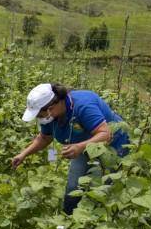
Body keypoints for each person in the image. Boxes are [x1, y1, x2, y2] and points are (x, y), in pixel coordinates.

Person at [12, 83, 130, 214]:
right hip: (83, 145)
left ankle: (97, 222)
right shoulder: (50, 116)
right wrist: (23, 154)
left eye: (40, 115)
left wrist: (79, 147)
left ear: (51, 108)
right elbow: (44, 138)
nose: (40, 119)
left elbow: (106, 134)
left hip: (112, 145)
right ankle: (67, 219)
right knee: (73, 186)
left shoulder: (83, 106)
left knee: (100, 187)